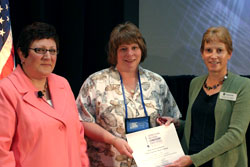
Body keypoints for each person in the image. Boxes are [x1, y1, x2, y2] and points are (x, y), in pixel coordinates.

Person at [76, 22, 181, 167]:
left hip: (150, 162)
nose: (130, 54)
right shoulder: (95, 82)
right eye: (123, 49)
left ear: (141, 50)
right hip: (108, 162)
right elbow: (82, 121)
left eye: (134, 48)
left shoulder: (157, 82)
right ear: (114, 52)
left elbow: (173, 118)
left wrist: (172, 122)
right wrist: (113, 140)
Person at [0, 22, 89, 167]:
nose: (48, 56)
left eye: (52, 51)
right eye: (40, 50)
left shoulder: (63, 84)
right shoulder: (6, 90)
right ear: (22, 54)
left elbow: (78, 137)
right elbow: (1, 153)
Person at [165, 26, 250, 167]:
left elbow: (236, 135)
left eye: (220, 50)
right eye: (208, 50)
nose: (213, 55)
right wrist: (178, 123)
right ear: (202, 53)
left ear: (229, 53)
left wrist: (195, 159)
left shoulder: (243, 85)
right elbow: (199, 124)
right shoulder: (195, 83)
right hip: (190, 160)